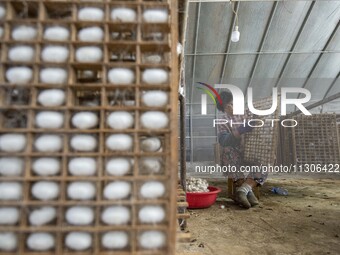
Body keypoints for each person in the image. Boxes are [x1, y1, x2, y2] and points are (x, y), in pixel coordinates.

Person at [216, 91, 268, 209]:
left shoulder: (247, 114)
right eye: (227, 106)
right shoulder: (222, 120)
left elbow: (261, 124)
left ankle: (243, 191)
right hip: (236, 154)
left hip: (251, 152)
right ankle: (246, 192)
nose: (231, 107)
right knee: (227, 150)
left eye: (232, 103)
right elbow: (223, 140)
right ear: (223, 109)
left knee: (265, 160)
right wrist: (240, 130)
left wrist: (255, 123)